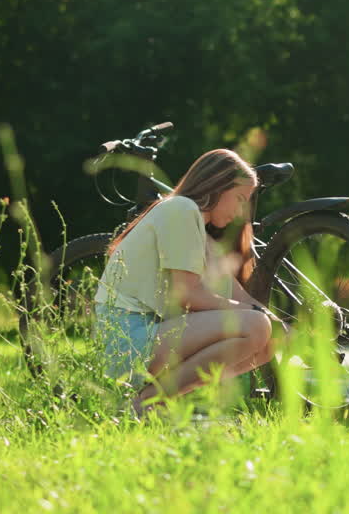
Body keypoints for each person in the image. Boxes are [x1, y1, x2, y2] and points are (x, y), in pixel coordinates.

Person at [92, 148, 280, 416]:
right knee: (255, 326)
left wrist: (278, 323)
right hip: (127, 342)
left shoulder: (201, 234)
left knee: (268, 337)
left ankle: (151, 401)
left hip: (152, 336)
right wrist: (257, 316)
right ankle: (141, 405)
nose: (241, 212)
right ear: (217, 185)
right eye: (239, 199)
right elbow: (187, 296)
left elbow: (238, 294)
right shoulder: (181, 209)